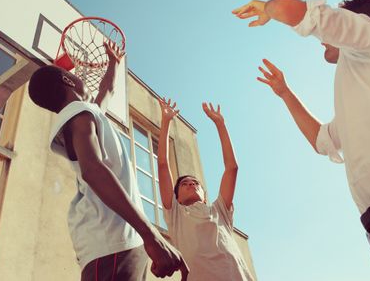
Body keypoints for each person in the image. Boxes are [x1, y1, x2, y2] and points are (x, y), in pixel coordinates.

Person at [233, 0, 370, 279]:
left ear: (361, 19)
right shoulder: (362, 78)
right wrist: (284, 92)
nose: (324, 41)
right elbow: (322, 139)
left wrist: (269, 7)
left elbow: (300, 13)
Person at [28, 42, 188, 281]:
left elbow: (108, 90)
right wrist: (151, 235)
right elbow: (92, 170)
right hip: (112, 238)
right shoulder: (77, 113)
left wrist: (114, 62)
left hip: (118, 239)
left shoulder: (87, 113)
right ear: (70, 81)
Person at [156, 97, 255, 281]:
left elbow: (232, 168)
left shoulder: (219, 211)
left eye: (195, 183)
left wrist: (220, 124)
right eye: (184, 184)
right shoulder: (176, 214)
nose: (191, 184)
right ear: (176, 197)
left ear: (204, 195)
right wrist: (166, 122)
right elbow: (162, 165)